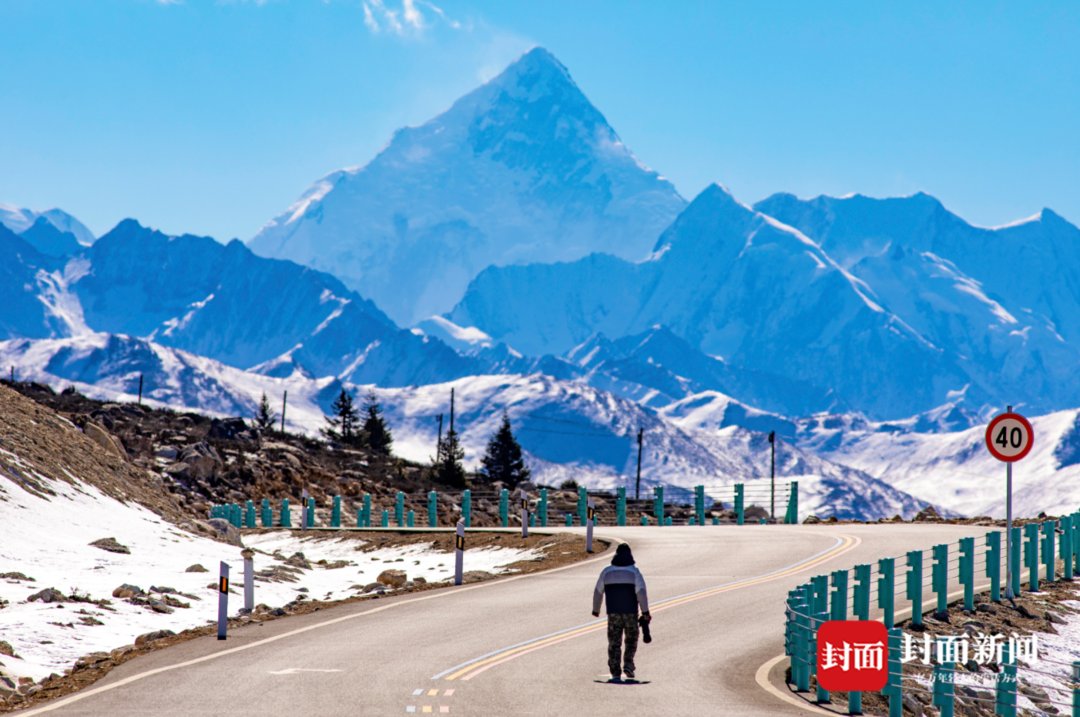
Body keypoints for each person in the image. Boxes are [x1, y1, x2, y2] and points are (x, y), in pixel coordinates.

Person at [591, 543, 650, 681]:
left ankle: (615, 670)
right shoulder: (634, 572)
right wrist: (645, 612)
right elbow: (641, 593)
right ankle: (628, 664)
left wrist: (596, 609)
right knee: (631, 639)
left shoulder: (606, 572)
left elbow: (598, 592)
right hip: (630, 613)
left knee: (614, 642)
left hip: (613, 613)